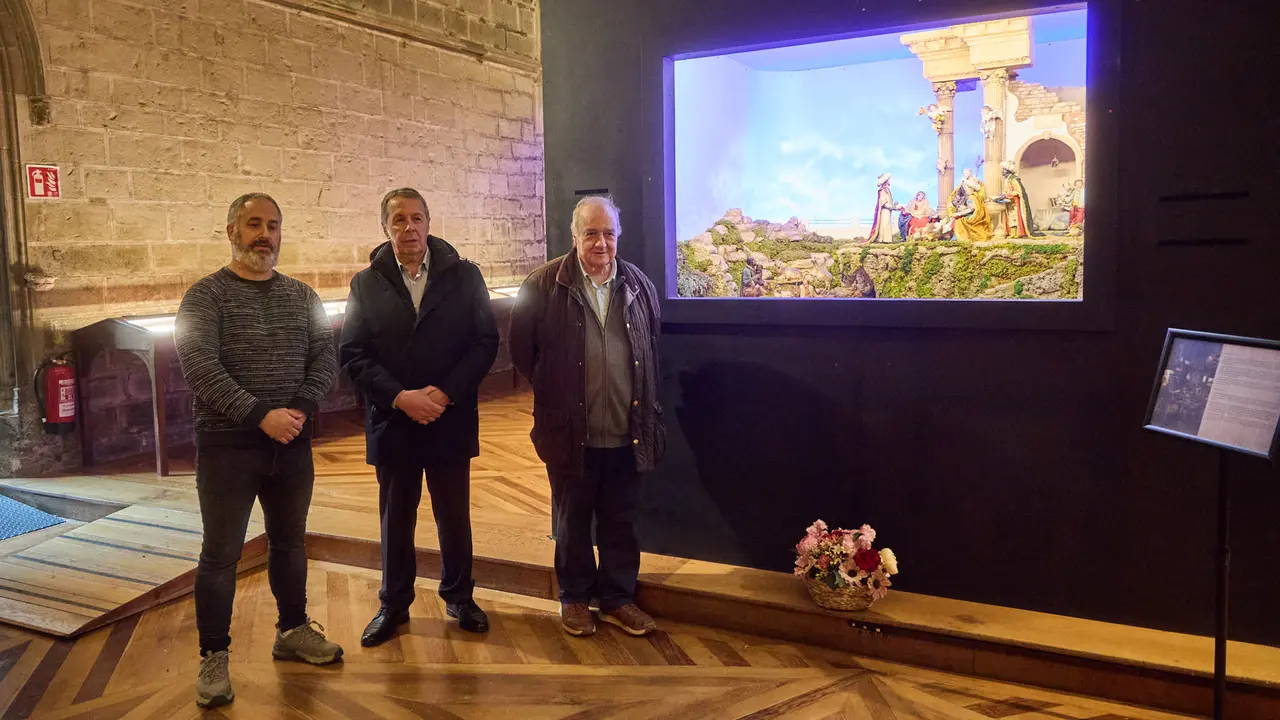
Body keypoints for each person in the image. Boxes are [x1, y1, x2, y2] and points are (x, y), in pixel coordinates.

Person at [175, 193, 342, 709]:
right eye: (253, 224)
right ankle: (214, 656)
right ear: (231, 231)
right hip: (229, 447)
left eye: (272, 225)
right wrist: (258, 416)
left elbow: (325, 357)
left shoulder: (302, 296)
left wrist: (296, 409)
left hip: (290, 441)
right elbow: (199, 366)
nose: (263, 235)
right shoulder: (204, 297)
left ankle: (291, 630)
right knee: (221, 555)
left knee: (290, 543)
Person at [340, 188, 499, 647]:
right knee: (395, 517)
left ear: (429, 223)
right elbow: (353, 352)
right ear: (385, 227)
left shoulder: (464, 276)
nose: (408, 228)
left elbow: (484, 341)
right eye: (398, 220)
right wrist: (400, 397)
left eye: (416, 218)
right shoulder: (365, 284)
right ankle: (393, 603)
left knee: (453, 514)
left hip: (449, 416)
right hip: (395, 421)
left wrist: (445, 393)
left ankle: (460, 596)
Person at [508, 195, 665, 638]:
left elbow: (650, 348)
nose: (601, 243)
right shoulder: (542, 286)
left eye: (609, 234)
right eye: (591, 233)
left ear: (619, 237)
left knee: (621, 520)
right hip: (569, 432)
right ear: (574, 236)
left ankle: (618, 597)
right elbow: (524, 353)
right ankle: (575, 597)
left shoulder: (639, 286)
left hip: (627, 431)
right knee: (571, 521)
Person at [995, 161, 1038, 239]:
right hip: (1009, 202)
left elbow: (1018, 192)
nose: (1002, 171)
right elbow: (1008, 190)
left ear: (1008, 171)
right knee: (1011, 218)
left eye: (1003, 170)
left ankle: (1020, 233)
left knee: (1015, 217)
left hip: (1015, 202)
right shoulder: (1007, 179)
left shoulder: (1014, 179)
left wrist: (1006, 195)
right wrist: (1002, 195)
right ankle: (1013, 233)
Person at [866, 174, 905, 244]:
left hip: (888, 211)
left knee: (887, 224)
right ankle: (883, 239)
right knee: (885, 224)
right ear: (885, 182)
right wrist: (895, 207)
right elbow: (884, 204)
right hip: (884, 211)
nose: (889, 181)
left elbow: (889, 203)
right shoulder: (882, 191)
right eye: (888, 180)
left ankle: (887, 239)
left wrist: (895, 206)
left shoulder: (887, 190)